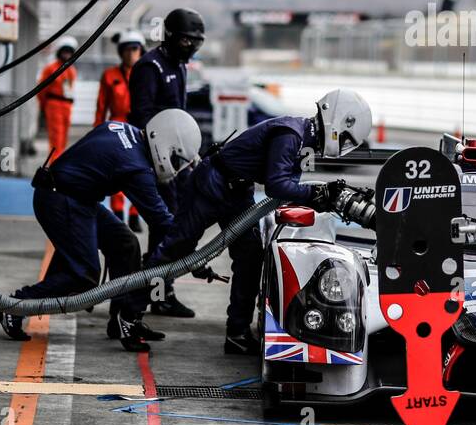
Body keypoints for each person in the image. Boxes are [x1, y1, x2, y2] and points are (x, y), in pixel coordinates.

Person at [139, 88, 371, 354]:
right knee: (175, 249)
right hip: (212, 185)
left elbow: (288, 187)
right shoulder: (291, 135)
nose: (343, 144)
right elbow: (277, 186)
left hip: (237, 191)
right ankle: (129, 314)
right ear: (338, 122)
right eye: (345, 138)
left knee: (250, 257)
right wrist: (317, 193)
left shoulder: (303, 140)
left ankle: (237, 332)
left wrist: (318, 196)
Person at [0, 109, 201, 352]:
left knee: (125, 243)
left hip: (77, 198)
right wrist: (195, 255)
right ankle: (13, 305)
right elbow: (161, 220)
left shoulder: (125, 131)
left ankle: (123, 319)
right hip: (61, 200)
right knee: (83, 275)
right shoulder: (136, 167)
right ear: (166, 143)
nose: (175, 168)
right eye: (176, 160)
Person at [127, 8, 204, 318]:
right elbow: (143, 117)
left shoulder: (179, 65)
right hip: (155, 162)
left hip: (177, 161)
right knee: (163, 227)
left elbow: (179, 115)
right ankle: (156, 293)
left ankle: (161, 289)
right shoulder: (150, 67)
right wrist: (161, 165)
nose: (192, 47)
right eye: (187, 40)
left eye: (197, 42)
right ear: (170, 36)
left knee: (176, 225)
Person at [95, 30, 145, 232]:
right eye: (127, 49)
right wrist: (97, 133)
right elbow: (101, 106)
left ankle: (134, 214)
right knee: (116, 173)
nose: (131, 53)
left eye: (135, 49)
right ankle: (117, 213)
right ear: (120, 52)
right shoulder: (109, 75)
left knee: (140, 172)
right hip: (116, 127)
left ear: (141, 51)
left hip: (139, 128)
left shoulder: (146, 74)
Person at [38, 36, 78, 157]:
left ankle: (58, 164)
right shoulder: (51, 68)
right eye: (65, 51)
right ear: (59, 52)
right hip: (54, 105)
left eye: (69, 52)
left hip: (67, 106)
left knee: (63, 140)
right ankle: (54, 166)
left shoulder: (71, 70)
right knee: (56, 139)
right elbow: (41, 90)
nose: (67, 55)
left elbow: (70, 89)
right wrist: (44, 108)